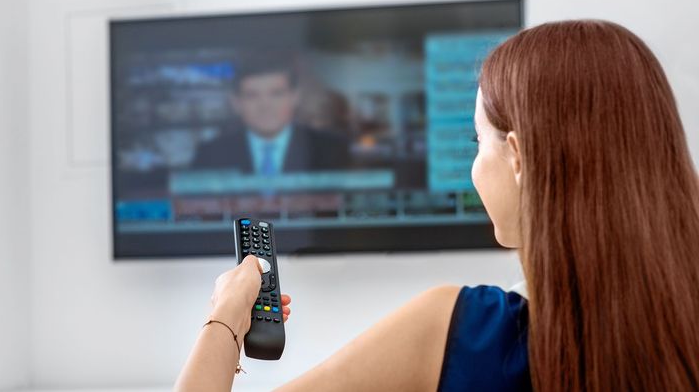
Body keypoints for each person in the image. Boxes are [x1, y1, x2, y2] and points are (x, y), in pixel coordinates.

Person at [175, 20, 699, 391]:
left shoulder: (460, 330)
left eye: (477, 142)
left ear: (518, 158)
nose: (475, 164)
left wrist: (226, 317)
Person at [193, 56, 351, 175]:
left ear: (295, 97)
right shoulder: (210, 154)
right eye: (252, 95)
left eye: (276, 94)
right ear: (236, 103)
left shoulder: (332, 149)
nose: (265, 106)